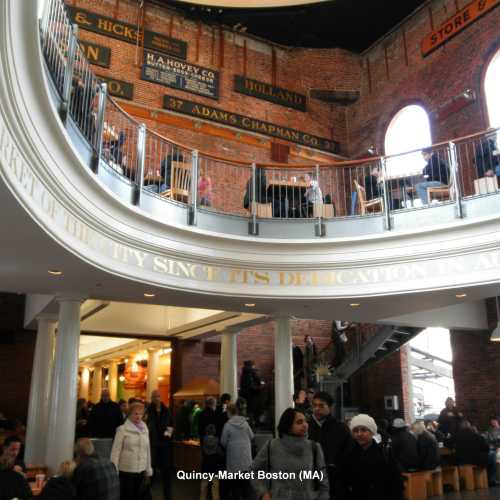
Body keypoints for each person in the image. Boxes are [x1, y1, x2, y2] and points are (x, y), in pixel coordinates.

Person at [251, 407, 329, 500]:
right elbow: (253, 471)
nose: (305, 425)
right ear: (288, 426)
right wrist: (263, 492)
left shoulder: (314, 447)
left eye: (305, 421)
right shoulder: (272, 446)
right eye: (299, 422)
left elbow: (323, 481)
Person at [336, 414, 404, 500]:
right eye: (356, 431)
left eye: (364, 430)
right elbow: (343, 484)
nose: (359, 434)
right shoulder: (348, 455)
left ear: (372, 432)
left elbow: (396, 484)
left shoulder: (384, 454)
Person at [308, 391, 353, 499]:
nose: (317, 409)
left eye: (321, 405)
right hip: (310, 482)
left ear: (331, 407)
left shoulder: (340, 428)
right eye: (314, 406)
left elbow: (349, 455)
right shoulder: (306, 427)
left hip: (335, 484)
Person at [110, 401, 153, 500]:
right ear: (129, 414)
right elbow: (115, 452)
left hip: (141, 471)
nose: (138, 416)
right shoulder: (122, 429)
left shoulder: (145, 429)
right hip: (126, 471)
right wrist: (114, 470)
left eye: (141, 414)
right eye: (136, 413)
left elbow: (147, 451)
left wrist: (148, 469)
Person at [446, 420, 496, 486]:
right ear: (470, 427)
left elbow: (446, 442)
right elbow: (486, 448)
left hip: (461, 460)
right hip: (478, 460)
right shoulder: (477, 436)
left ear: (460, 427)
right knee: (492, 456)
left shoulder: (456, 436)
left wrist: (452, 447)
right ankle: (491, 480)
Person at [220, 403, 254, 500]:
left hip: (233, 460)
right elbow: (251, 436)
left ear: (229, 412)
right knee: (246, 487)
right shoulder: (245, 423)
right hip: (246, 459)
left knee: (235, 487)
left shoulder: (227, 425)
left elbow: (223, 442)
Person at [146, 390, 173, 500]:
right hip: (152, 445)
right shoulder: (148, 411)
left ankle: (168, 497)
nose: (156, 398)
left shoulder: (167, 411)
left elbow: (171, 425)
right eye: (154, 396)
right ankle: (147, 496)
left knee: (166, 475)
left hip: (164, 446)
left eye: (158, 396)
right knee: (150, 473)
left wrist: (167, 435)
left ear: (160, 397)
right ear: (151, 398)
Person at [200, 424, 223, 500]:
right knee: (215, 486)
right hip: (214, 465)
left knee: (204, 486)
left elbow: (202, 451)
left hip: (205, 465)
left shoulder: (203, 440)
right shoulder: (217, 441)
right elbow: (220, 453)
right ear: (214, 431)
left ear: (206, 431)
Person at [239, 360, 263, 425]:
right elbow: (251, 387)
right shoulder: (250, 374)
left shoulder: (244, 374)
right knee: (250, 413)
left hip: (246, 397)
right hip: (251, 397)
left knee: (248, 413)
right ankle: (250, 427)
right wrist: (260, 387)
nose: (254, 367)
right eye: (253, 365)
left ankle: (250, 425)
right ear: (251, 366)